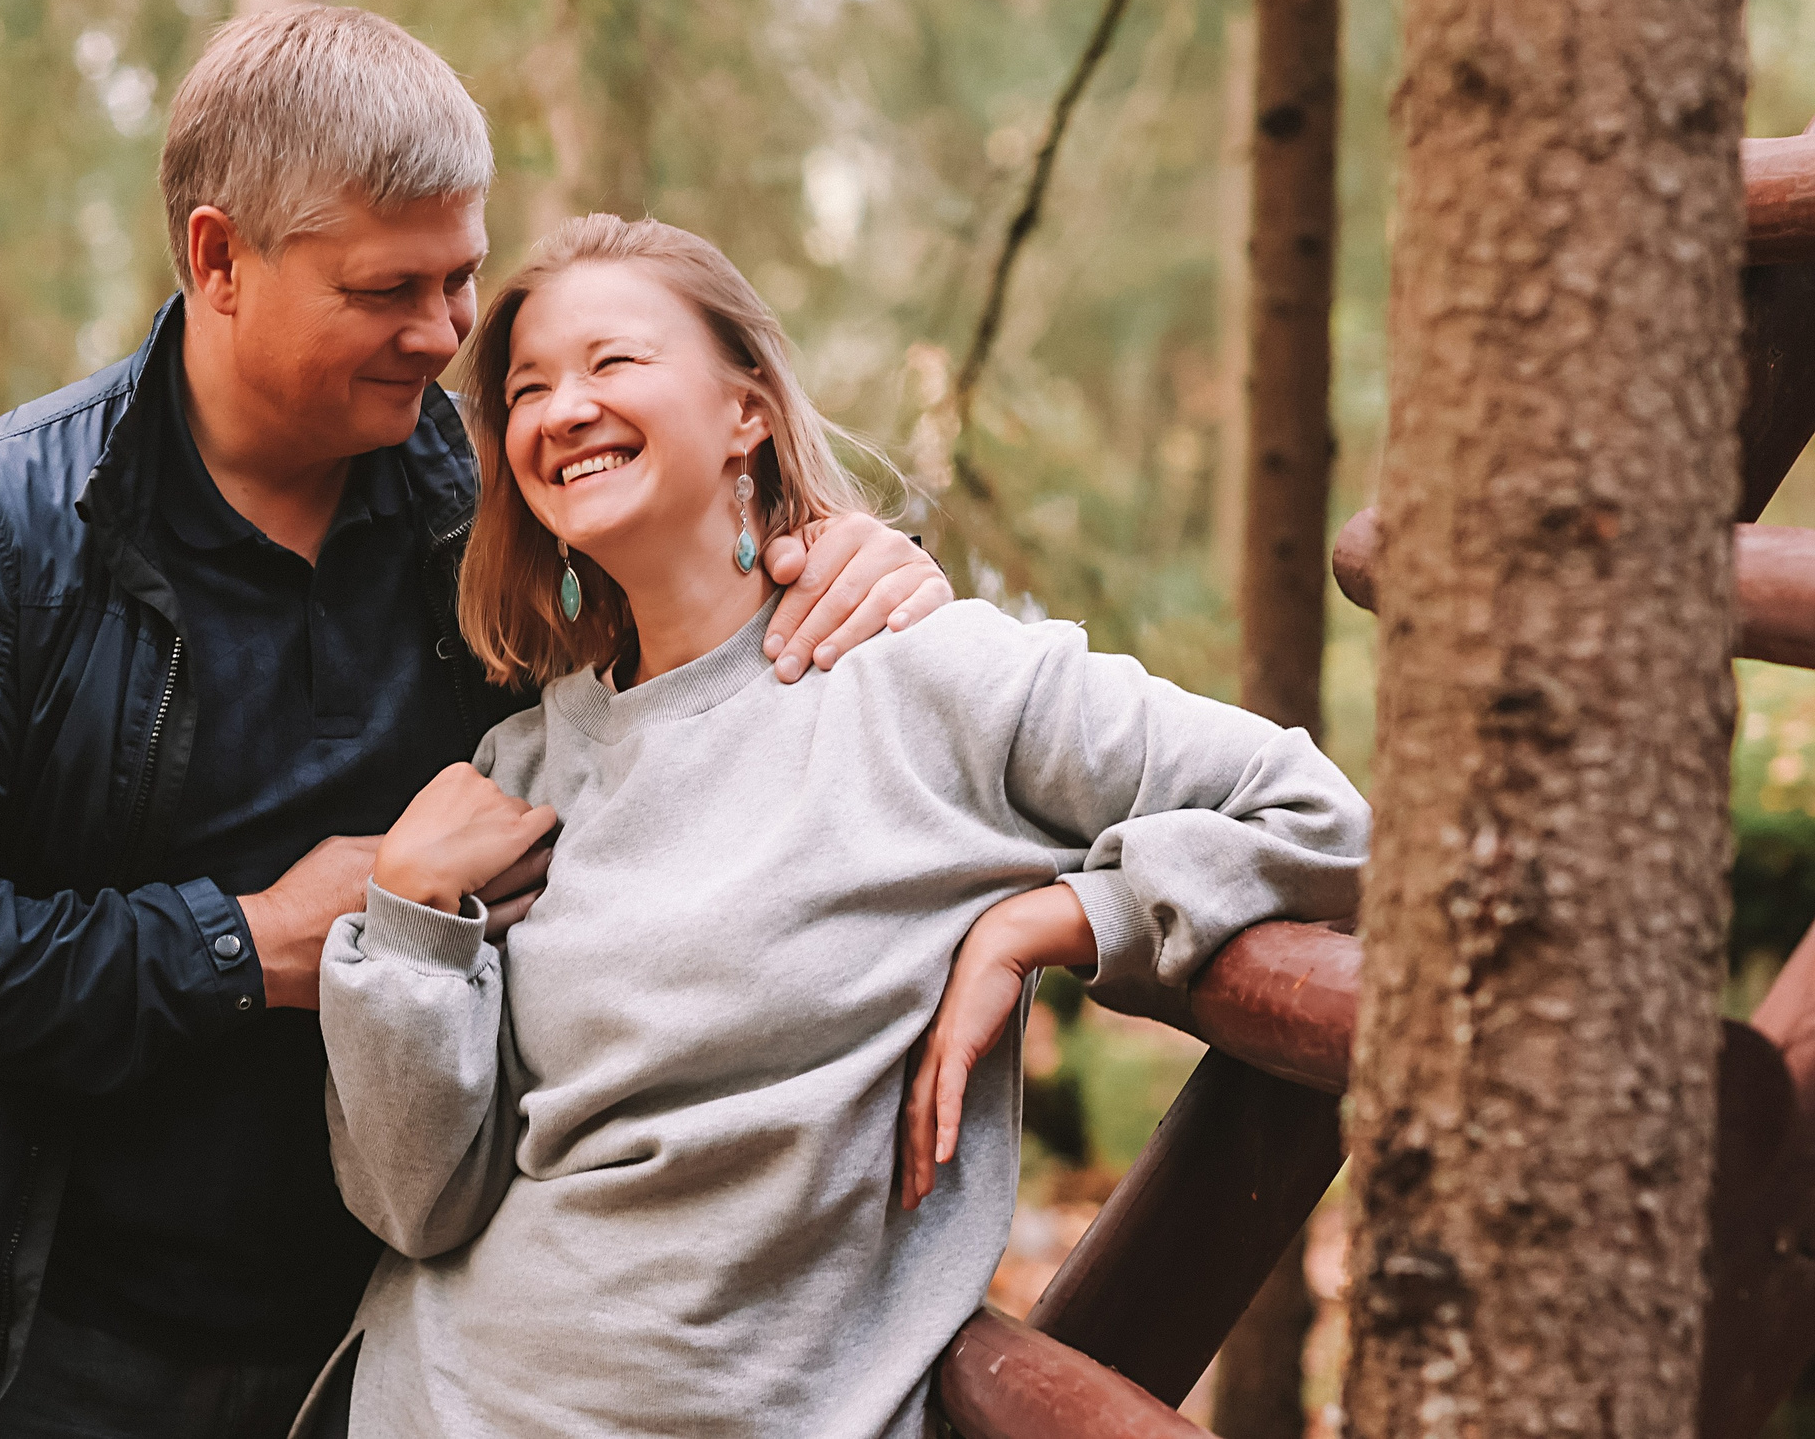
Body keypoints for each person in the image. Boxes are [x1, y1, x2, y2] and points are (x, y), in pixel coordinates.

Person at [0, 7, 952, 1439]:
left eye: (461, 277)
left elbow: (690, 676)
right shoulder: (5, 524)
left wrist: (843, 561)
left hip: (373, 1350)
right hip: (18, 1352)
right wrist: (247, 942)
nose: (449, 333)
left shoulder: (494, 510)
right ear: (219, 258)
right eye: (388, 288)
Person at [307, 215, 1369, 1439]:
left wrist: (1062, 919)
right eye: (529, 389)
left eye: (612, 362)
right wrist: (405, 924)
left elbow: (1325, 819)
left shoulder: (921, 676)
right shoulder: (521, 765)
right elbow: (415, 1207)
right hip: (431, 1402)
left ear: (745, 407)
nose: (561, 409)